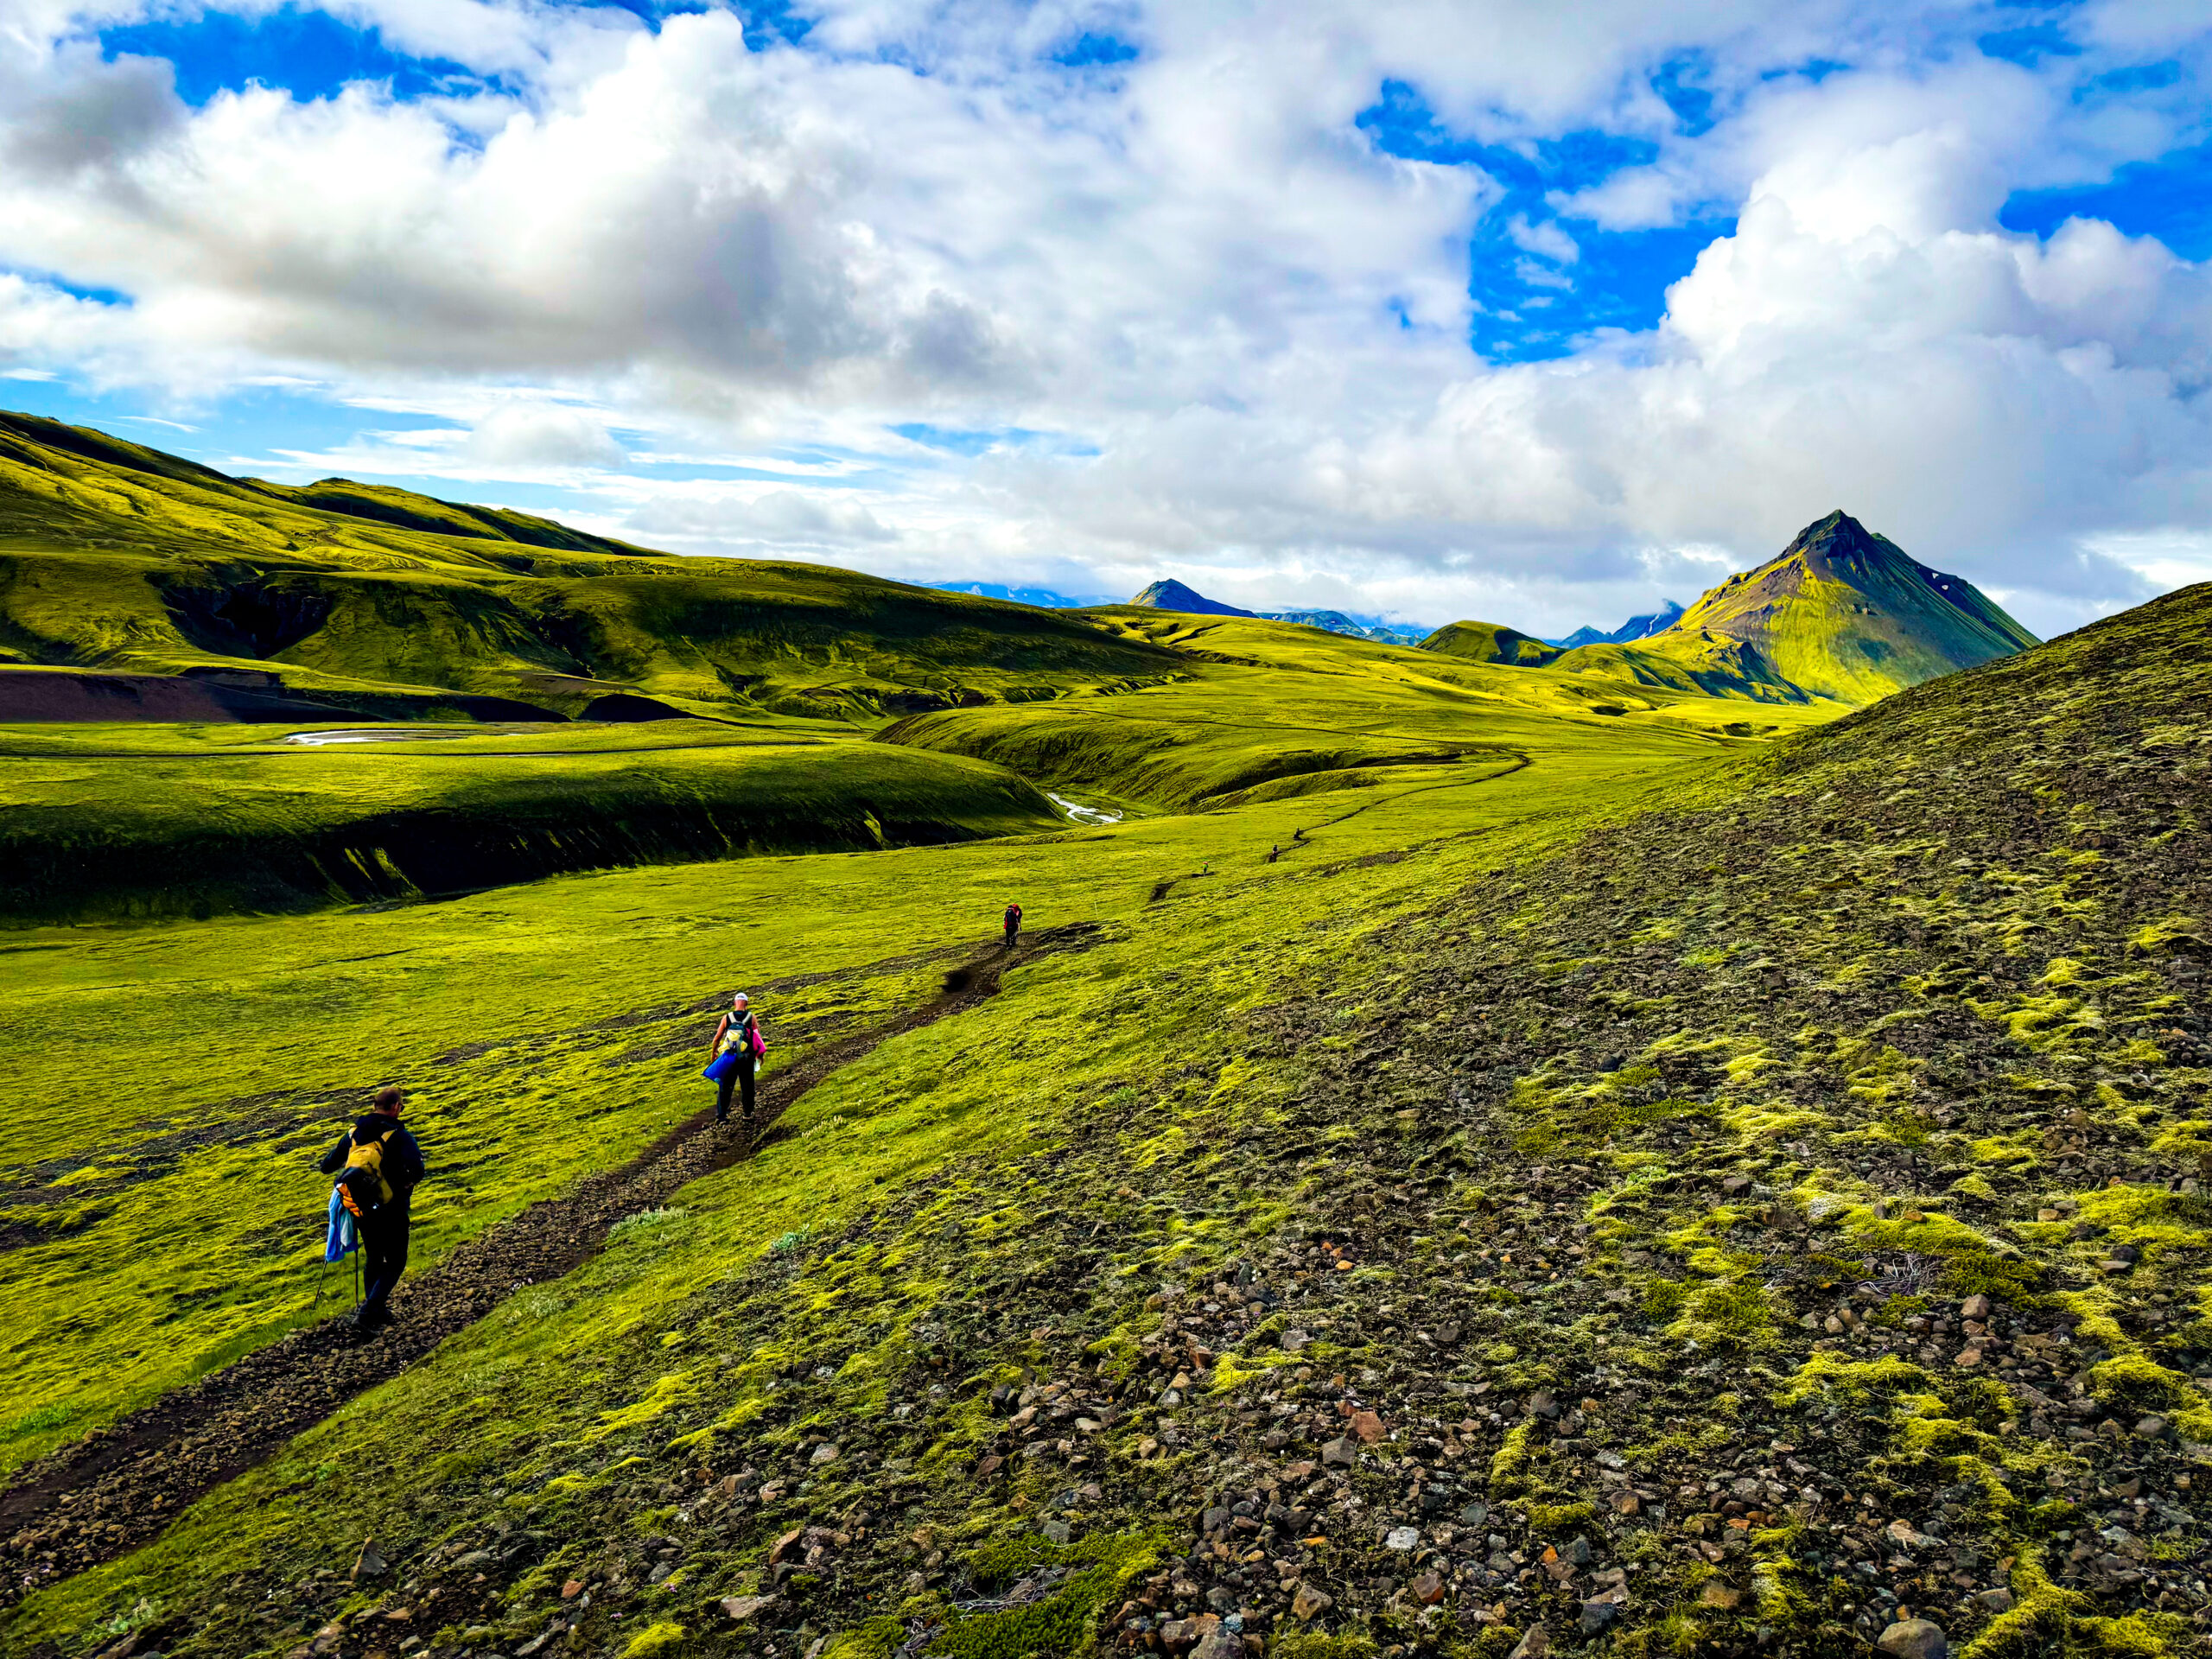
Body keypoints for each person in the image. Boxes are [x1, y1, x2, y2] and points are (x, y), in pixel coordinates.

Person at [318, 1085, 426, 1336]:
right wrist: (404, 1183)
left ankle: (375, 1309)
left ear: (374, 1106)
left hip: (361, 1208)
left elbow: (328, 1166)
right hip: (393, 1207)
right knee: (397, 1261)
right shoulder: (398, 1135)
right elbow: (418, 1170)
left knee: (375, 1257)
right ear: (396, 1107)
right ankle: (369, 1311)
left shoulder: (354, 1133)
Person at [709, 992, 763, 1123]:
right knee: (748, 1086)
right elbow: (757, 1039)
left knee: (726, 1086)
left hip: (729, 1057)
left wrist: (714, 1053)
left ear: (734, 1003)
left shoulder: (727, 1018)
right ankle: (748, 1114)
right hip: (746, 1057)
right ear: (747, 1003)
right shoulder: (752, 1018)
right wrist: (760, 1056)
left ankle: (721, 1117)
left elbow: (717, 1038)